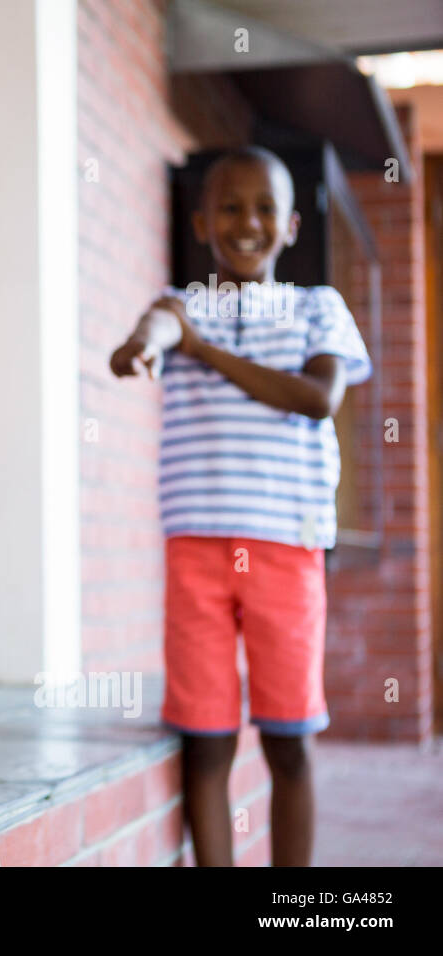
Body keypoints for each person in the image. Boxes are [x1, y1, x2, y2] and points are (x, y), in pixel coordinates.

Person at [108, 146, 373, 866]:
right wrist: (148, 344)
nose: (246, 222)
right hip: (195, 547)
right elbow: (156, 330)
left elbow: (317, 398)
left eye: (264, 209)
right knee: (208, 740)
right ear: (202, 222)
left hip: (287, 547)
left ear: (290, 226)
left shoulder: (318, 308)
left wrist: (203, 352)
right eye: (230, 206)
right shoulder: (183, 306)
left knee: (289, 741)